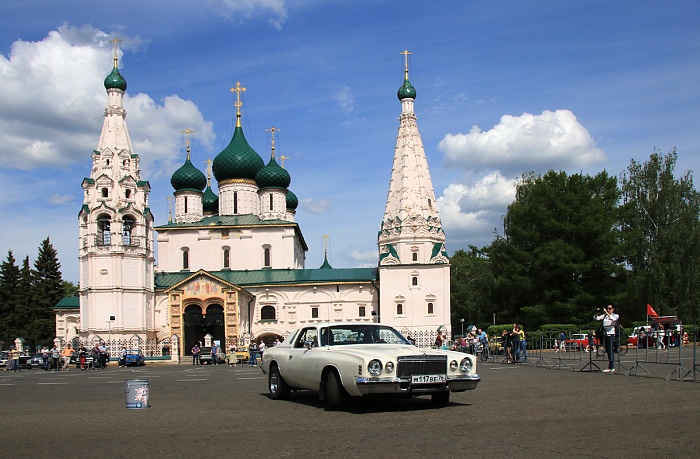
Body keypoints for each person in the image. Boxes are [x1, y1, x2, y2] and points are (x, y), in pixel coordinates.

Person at [594, 304, 619, 373]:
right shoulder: (605, 316)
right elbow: (596, 318)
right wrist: (597, 312)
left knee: (610, 350)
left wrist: (606, 313)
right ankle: (610, 366)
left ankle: (612, 366)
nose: (608, 309)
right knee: (607, 350)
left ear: (613, 309)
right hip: (605, 334)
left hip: (611, 334)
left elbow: (613, 320)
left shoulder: (615, 315)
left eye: (610, 308)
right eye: (607, 308)